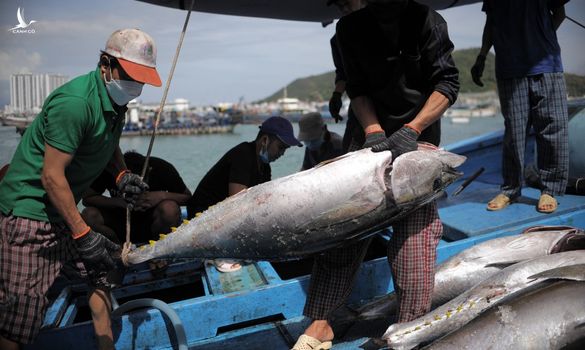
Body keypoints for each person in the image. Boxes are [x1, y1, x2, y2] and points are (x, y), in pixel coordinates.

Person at [292, 0, 459, 348]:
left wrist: (412, 129)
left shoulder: (428, 20)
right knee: (345, 225)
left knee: (414, 233)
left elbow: (446, 85)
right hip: (368, 135)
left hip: (419, 135)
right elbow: (359, 89)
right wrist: (373, 131)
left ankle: (409, 328)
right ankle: (322, 323)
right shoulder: (349, 28)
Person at [0, 28, 161, 350]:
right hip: (29, 214)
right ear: (106, 64)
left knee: (105, 273)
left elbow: (106, 143)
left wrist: (120, 176)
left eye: (143, 79)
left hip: (62, 211)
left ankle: (106, 346)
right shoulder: (75, 103)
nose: (136, 86)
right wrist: (83, 235)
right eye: (131, 76)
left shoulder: (114, 104)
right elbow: (51, 177)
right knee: (20, 317)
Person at [471, 0, 570, 213]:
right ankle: (510, 189)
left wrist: (540, 39)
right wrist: (481, 56)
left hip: (547, 65)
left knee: (553, 129)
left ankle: (550, 189)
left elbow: (559, 12)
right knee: (514, 133)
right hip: (509, 67)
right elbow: (491, 23)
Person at [187, 116, 301, 272]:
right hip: (204, 217)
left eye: (285, 150)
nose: (282, 153)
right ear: (265, 140)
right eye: (281, 147)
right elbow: (237, 203)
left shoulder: (264, 167)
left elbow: (264, 201)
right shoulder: (243, 155)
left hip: (223, 217)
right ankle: (216, 254)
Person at [82, 151, 192, 244]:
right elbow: (87, 199)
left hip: (154, 223)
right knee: (89, 215)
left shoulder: (162, 168)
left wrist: (160, 196)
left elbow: (188, 198)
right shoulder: (110, 170)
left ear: (149, 171)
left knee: (170, 209)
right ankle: (118, 249)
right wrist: (120, 202)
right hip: (121, 222)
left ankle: (156, 249)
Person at [327, 0, 366, 152]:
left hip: (391, 105)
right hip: (359, 106)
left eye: (347, 2)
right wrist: (337, 95)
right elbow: (343, 72)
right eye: (339, 5)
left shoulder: (384, 26)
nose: (343, 8)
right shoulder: (337, 39)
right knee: (349, 153)